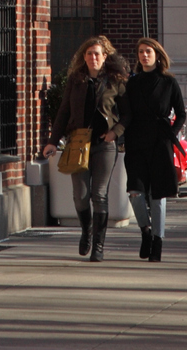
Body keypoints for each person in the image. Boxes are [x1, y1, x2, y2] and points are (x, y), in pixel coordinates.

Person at [41, 37, 129, 261]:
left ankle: (98, 246)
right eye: (89, 54)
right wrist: (53, 140)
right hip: (79, 143)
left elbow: (129, 114)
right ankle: (86, 232)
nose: (93, 58)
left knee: (99, 194)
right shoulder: (76, 80)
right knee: (80, 196)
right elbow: (63, 112)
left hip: (104, 145)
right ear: (84, 57)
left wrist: (114, 133)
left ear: (105, 56)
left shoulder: (115, 81)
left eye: (97, 54)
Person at [123, 37, 187, 262]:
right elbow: (126, 113)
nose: (144, 55)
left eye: (148, 51)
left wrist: (172, 133)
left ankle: (158, 241)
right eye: (141, 52)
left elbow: (181, 112)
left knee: (158, 194)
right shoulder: (132, 83)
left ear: (157, 55)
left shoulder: (169, 83)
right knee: (135, 192)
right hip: (136, 142)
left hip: (161, 143)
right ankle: (145, 231)